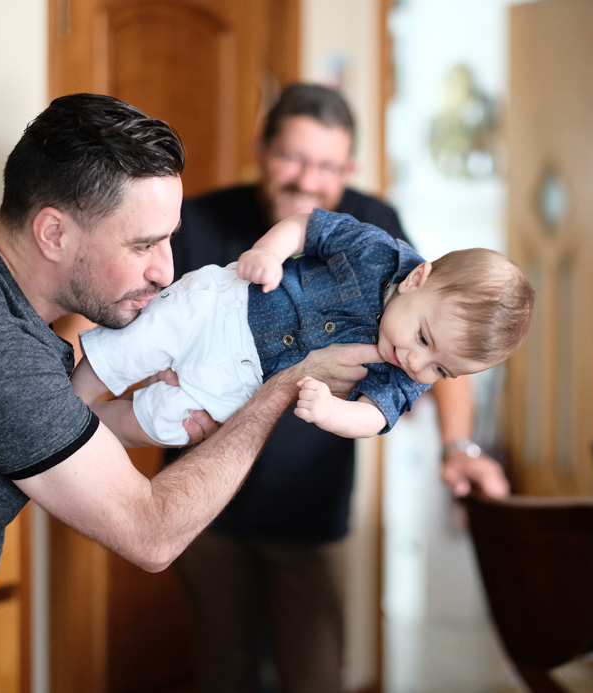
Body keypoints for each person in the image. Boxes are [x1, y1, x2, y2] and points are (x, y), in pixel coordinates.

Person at [0, 92, 375, 690]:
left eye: (169, 240)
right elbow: (153, 534)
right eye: (143, 245)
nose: (166, 271)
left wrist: (123, 421)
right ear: (53, 232)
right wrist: (280, 387)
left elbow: (4, 425)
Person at [169, 82, 515, 693]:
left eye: (328, 165)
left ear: (350, 168)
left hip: (312, 510)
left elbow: (445, 338)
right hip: (204, 499)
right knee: (223, 671)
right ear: (261, 148)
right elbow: (125, 309)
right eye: (293, 158)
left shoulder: (373, 229)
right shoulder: (198, 220)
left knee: (315, 675)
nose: (308, 179)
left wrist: (459, 449)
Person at [72, 209, 533, 445]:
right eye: (424, 339)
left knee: (163, 425)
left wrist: (334, 415)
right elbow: (307, 225)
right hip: (224, 309)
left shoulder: (404, 373)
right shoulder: (375, 251)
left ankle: (80, 434)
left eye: (441, 371)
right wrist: (270, 253)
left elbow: (376, 416)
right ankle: (66, 402)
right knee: (135, 345)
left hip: (243, 383)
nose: (417, 363)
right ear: (417, 279)